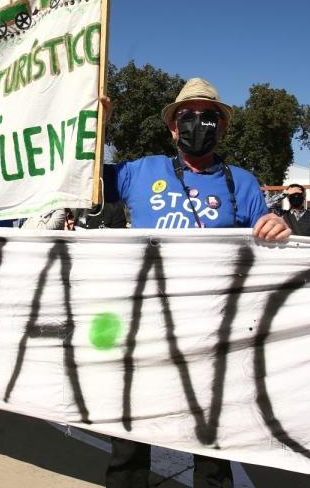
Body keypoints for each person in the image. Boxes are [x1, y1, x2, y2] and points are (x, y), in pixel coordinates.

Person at [101, 78, 290, 488]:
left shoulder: (242, 182)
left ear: (222, 128)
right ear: (173, 128)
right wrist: (98, 127)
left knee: (211, 439)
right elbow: (81, 178)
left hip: (211, 330)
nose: (197, 123)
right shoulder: (141, 170)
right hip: (144, 328)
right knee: (130, 432)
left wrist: (276, 225)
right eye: (187, 116)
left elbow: (265, 236)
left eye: (208, 116)